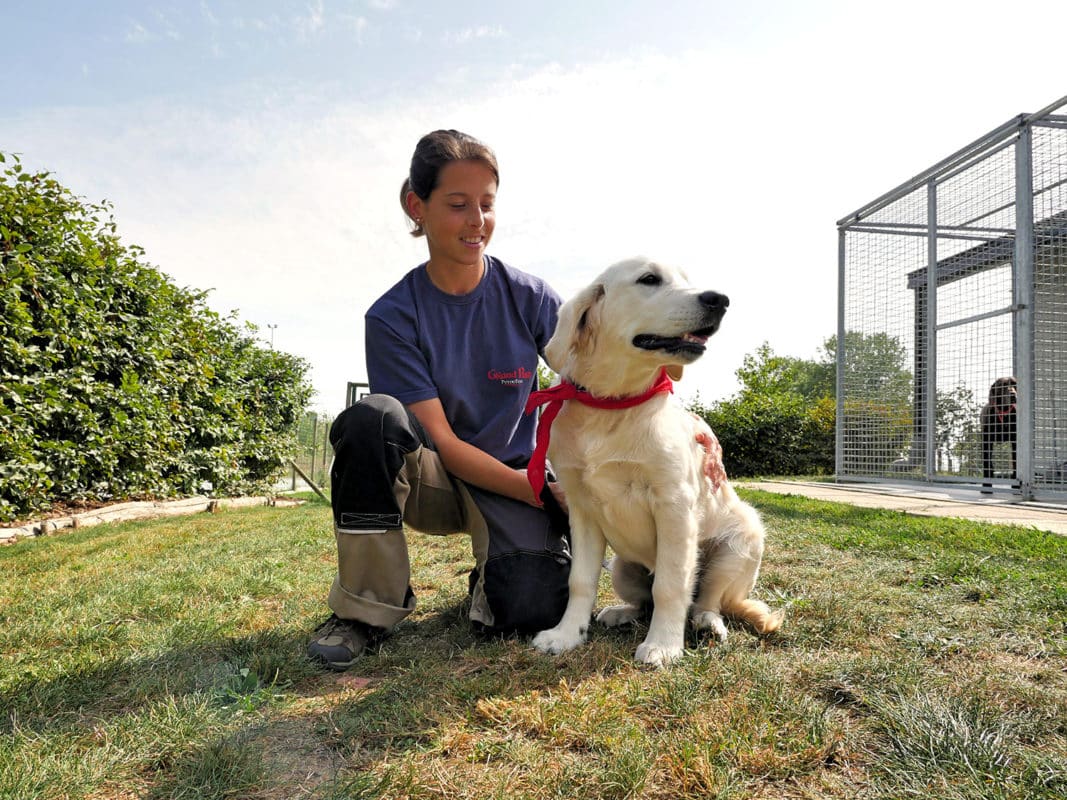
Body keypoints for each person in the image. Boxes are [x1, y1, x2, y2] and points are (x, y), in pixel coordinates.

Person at [307, 129, 572, 670]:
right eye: (458, 204)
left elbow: (599, 379)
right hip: (439, 479)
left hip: (518, 475)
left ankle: (495, 574)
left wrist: (686, 426)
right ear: (417, 206)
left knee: (532, 606)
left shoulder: (532, 298)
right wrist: (538, 493)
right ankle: (365, 609)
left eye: (487, 205)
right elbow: (446, 444)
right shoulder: (392, 316)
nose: (477, 221)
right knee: (369, 421)